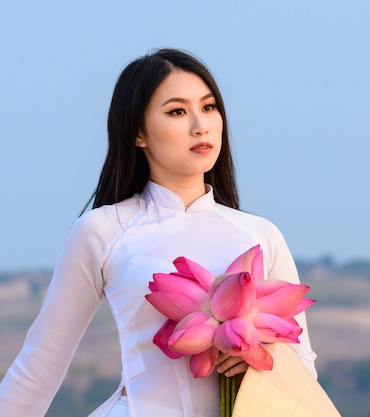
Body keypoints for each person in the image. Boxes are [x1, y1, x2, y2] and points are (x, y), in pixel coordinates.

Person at [0, 48, 317, 416]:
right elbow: (40, 365)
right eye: (177, 111)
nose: (200, 125)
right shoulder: (103, 231)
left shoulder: (260, 235)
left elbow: (302, 366)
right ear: (138, 133)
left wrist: (261, 366)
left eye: (209, 107)